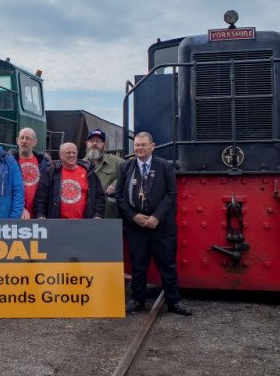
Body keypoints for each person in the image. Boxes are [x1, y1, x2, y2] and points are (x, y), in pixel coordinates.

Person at [117, 132, 191, 316]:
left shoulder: (165, 166)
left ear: (153, 146)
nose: (139, 148)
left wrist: (156, 217)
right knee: (138, 265)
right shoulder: (125, 166)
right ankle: (137, 300)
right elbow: (119, 196)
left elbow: (171, 193)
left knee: (167, 265)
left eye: (143, 145)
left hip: (161, 226)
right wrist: (134, 216)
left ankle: (174, 301)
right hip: (137, 226)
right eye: (136, 145)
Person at [33, 142, 105, 219]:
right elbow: (41, 197)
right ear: (60, 154)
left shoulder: (89, 173)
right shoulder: (51, 172)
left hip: (84, 224)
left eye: (74, 152)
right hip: (57, 224)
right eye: (68, 153)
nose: (72, 155)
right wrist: (40, 215)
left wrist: (98, 215)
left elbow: (99, 196)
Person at [83, 128, 124, 219]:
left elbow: (129, 175)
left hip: (109, 216)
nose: (94, 144)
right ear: (87, 143)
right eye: (92, 140)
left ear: (104, 145)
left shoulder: (117, 162)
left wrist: (115, 184)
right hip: (86, 216)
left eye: (98, 141)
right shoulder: (79, 166)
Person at [10, 127, 50, 220]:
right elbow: (7, 190)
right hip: (16, 215)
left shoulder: (45, 164)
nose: (24, 141)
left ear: (35, 142)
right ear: (17, 140)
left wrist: (41, 214)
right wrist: (20, 208)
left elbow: (46, 192)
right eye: (22, 138)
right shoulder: (9, 162)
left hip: (38, 216)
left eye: (28, 138)